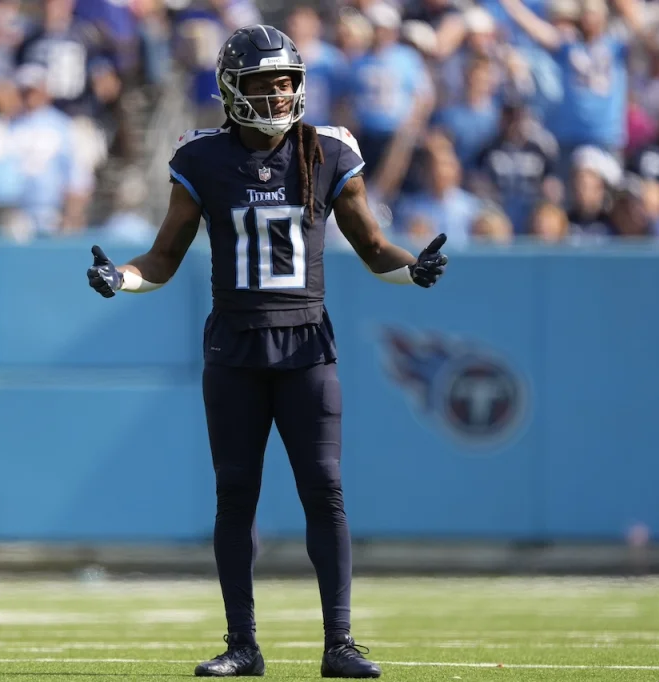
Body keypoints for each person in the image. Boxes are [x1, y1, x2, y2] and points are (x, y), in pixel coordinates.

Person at [86, 24, 448, 679]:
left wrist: (411, 268)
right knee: (235, 496)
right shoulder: (201, 158)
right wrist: (122, 277)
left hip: (307, 343)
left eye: (286, 82)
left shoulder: (329, 150)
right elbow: (163, 258)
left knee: (326, 491)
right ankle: (242, 644)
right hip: (235, 348)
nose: (280, 95)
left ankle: (339, 643)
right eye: (265, 84)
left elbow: (372, 247)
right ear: (232, 89)